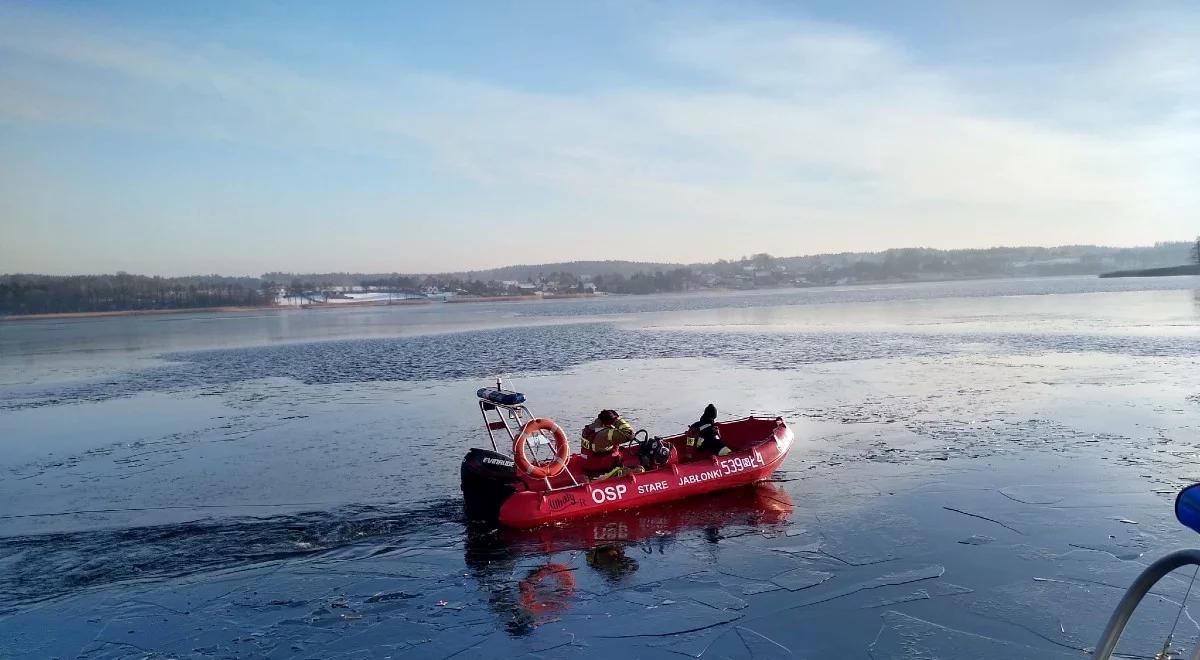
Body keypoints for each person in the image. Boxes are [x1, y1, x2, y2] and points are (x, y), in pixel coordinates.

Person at [580, 409, 635, 477]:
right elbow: (629, 434)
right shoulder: (604, 434)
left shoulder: (589, 430)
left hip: (590, 467)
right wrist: (617, 420)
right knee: (640, 469)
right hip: (605, 470)